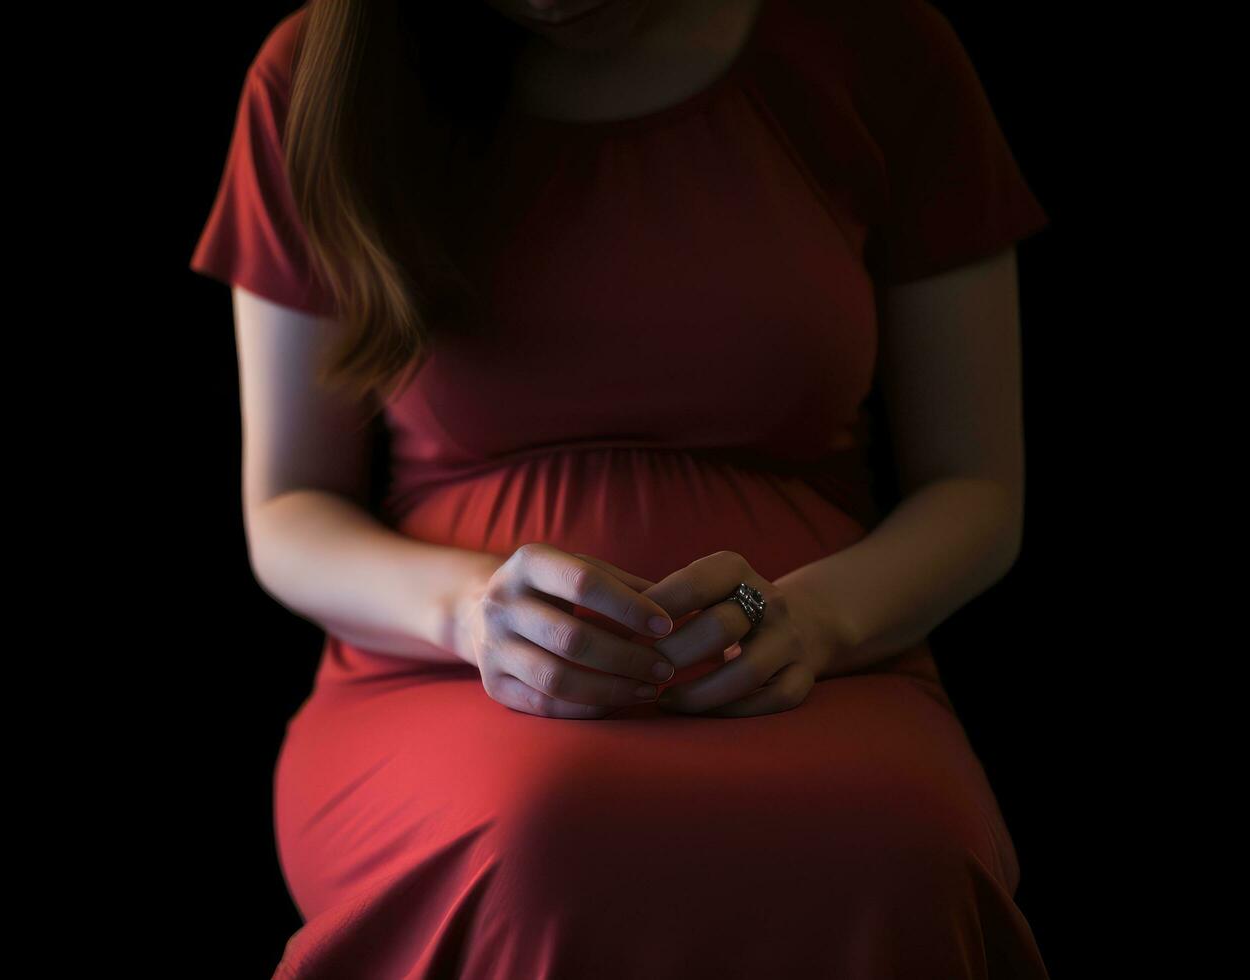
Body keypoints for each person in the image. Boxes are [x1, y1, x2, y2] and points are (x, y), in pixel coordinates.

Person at [188, 0, 1054, 976]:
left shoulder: (878, 43)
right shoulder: (315, 74)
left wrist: (819, 619)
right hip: (436, 667)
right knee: (542, 844)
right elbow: (288, 506)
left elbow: (976, 487)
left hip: (830, 659)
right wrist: (473, 614)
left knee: (898, 855)